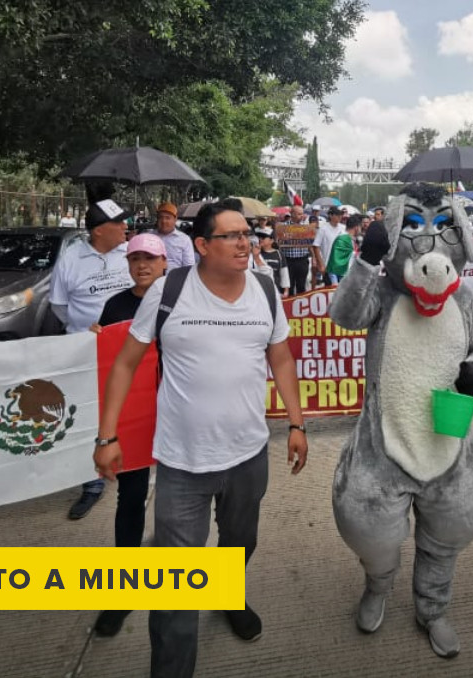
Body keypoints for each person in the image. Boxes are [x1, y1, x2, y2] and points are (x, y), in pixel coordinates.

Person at [94, 202, 307, 678]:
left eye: (246, 233)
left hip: (249, 456)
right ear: (203, 245)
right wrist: (107, 435)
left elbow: (281, 359)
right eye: (231, 235)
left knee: (239, 544)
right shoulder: (169, 291)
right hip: (182, 464)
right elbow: (125, 363)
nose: (244, 242)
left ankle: (227, 594)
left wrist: (296, 424)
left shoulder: (265, 290)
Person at [86, 233, 168, 638]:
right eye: (135, 258)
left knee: (181, 503)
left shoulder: (182, 300)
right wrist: (95, 340)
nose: (142, 265)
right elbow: (109, 363)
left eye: (150, 258)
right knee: (131, 498)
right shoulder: (116, 305)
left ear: (165, 262)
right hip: (135, 418)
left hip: (178, 416)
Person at [50, 197, 134, 519]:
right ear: (99, 230)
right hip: (88, 352)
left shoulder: (130, 253)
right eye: (119, 222)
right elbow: (59, 306)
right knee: (90, 414)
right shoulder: (71, 259)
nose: (126, 226)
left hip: (130, 349)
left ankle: (132, 459)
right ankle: (92, 482)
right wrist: (83, 328)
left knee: (130, 407)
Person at [278, 205, 314, 294]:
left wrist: (314, 258)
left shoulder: (306, 227)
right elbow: (279, 244)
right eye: (299, 214)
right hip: (288, 261)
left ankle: (301, 302)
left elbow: (310, 245)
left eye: (302, 214)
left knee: (301, 286)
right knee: (289, 286)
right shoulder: (283, 227)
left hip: (302, 261)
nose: (302, 216)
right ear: (292, 214)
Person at [312, 206, 346, 286]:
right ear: (330, 215)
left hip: (342, 266)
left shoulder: (343, 228)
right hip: (329, 266)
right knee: (331, 290)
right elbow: (316, 246)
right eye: (337, 214)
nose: (340, 216)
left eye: (341, 214)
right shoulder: (323, 229)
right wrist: (321, 264)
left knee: (342, 290)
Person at [254, 227, 291, 295]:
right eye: (259, 237)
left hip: (275, 291)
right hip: (259, 291)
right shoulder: (255, 254)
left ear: (271, 240)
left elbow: (284, 273)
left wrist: (286, 290)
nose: (260, 239)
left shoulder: (279, 254)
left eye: (263, 237)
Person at [325, 214, 361, 284]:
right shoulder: (342, 238)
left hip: (345, 274)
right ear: (356, 227)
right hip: (336, 274)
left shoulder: (351, 239)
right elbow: (335, 260)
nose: (360, 230)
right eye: (360, 227)